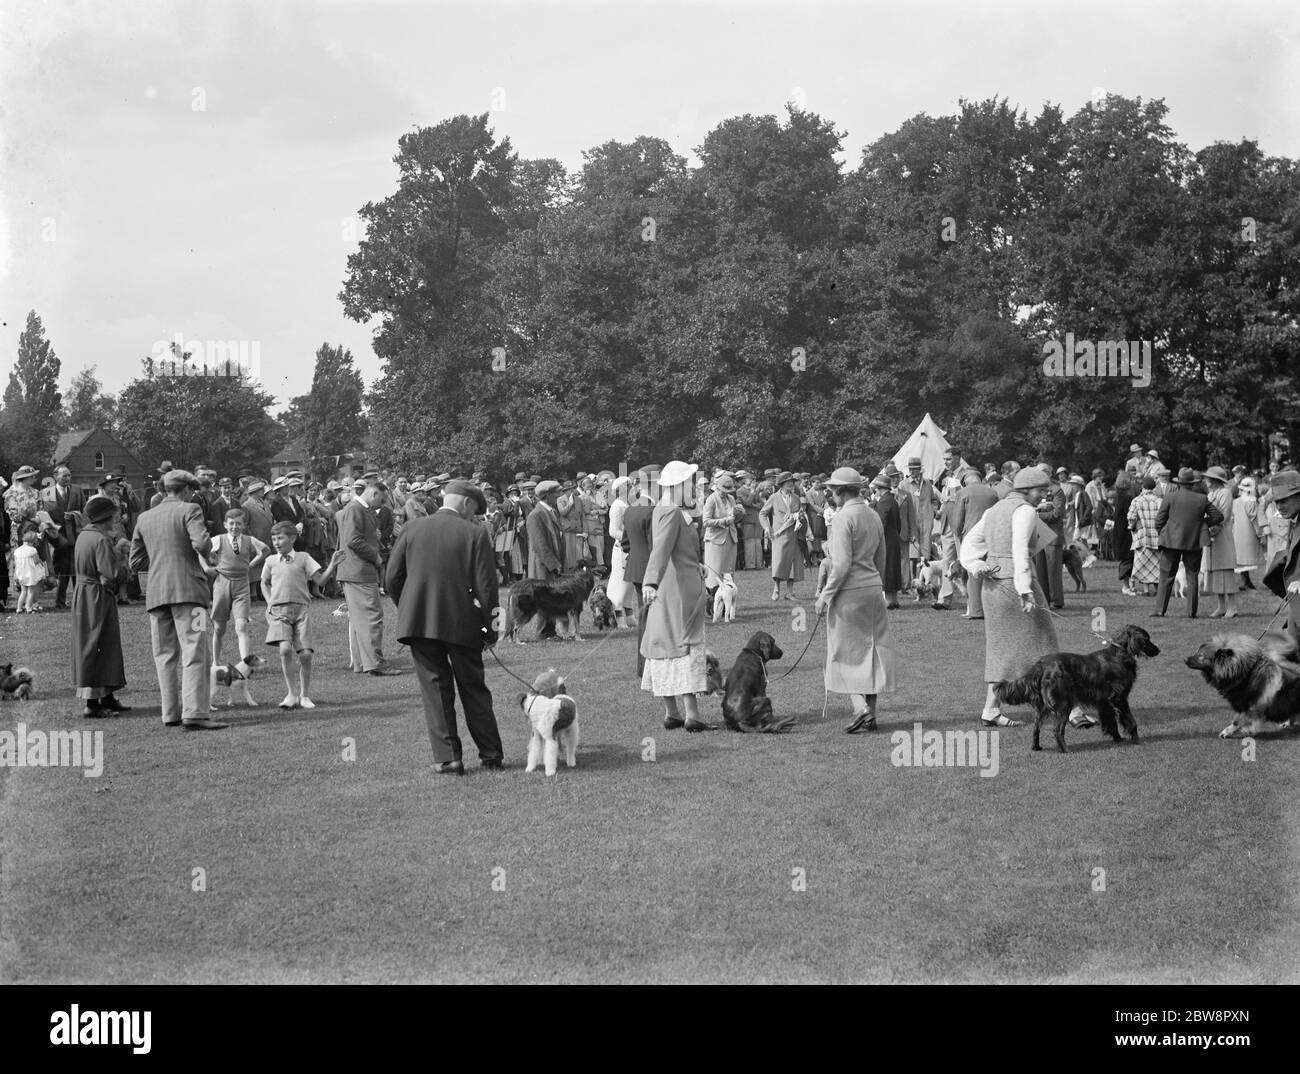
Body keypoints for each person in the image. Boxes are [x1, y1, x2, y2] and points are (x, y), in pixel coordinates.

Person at [387, 479, 505, 775]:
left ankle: (448, 757)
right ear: (466, 503)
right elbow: (488, 590)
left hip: (418, 622)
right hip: (462, 622)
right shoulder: (475, 534)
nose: (474, 517)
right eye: (474, 511)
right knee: (474, 688)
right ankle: (490, 754)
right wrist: (493, 629)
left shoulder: (412, 528)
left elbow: (391, 578)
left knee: (435, 689)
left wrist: (409, 607)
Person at [959, 467, 1061, 727]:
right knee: (1046, 645)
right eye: (1040, 491)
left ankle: (990, 710)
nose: (1043, 496)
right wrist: (1025, 589)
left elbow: (969, 542)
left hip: (993, 586)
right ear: (1026, 489)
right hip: (1017, 583)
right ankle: (1067, 709)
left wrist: (975, 565)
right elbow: (1019, 550)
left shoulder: (994, 510)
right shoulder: (1025, 510)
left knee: (1001, 649)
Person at [129, 469, 224, 730]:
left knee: (165, 655)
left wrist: (162, 559)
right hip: (190, 593)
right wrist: (208, 557)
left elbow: (135, 561)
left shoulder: (145, 517)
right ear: (186, 490)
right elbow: (202, 543)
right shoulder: (190, 509)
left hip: (157, 594)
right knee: (196, 651)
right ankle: (195, 713)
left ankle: (170, 713)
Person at [815, 468, 894, 733]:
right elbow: (881, 557)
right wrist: (878, 584)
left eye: (832, 489)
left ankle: (860, 708)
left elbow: (841, 564)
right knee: (872, 651)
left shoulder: (842, 518)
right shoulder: (872, 514)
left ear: (840, 491)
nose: (830, 493)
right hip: (873, 589)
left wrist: (825, 596)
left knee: (844, 652)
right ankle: (871, 712)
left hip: (849, 593)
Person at [641, 460, 713, 732]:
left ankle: (673, 713)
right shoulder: (671, 511)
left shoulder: (667, 509)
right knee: (684, 648)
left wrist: (696, 564)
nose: (693, 488)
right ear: (679, 485)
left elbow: (674, 550)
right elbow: (660, 549)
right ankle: (691, 714)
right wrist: (650, 580)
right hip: (678, 593)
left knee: (664, 646)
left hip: (672, 586)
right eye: (690, 483)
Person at [261, 522, 344, 709]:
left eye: (280, 538)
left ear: (292, 538)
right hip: (279, 611)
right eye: (274, 539)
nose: (276, 542)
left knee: (305, 655)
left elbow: (320, 579)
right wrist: (269, 601)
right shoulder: (271, 561)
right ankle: (291, 694)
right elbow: (264, 583)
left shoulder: (303, 558)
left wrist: (332, 564)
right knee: (284, 650)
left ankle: (304, 695)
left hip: (301, 610)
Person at [71, 494, 132, 718]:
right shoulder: (100, 539)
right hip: (96, 596)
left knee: (98, 643)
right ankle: (93, 704)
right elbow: (112, 572)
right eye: (113, 516)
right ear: (106, 517)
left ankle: (106, 696)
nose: (115, 520)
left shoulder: (84, 535)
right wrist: (123, 560)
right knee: (98, 644)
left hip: (85, 594)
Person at [337, 480, 401, 676]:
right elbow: (353, 540)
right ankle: (376, 663)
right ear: (373, 493)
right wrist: (375, 556)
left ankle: (363, 663)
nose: (381, 506)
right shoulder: (355, 509)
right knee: (372, 617)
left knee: (359, 621)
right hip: (359, 571)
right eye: (381, 501)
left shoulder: (355, 509)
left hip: (354, 571)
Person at [1151, 468, 1224, 619]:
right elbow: (1218, 516)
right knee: (1192, 577)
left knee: (1166, 576)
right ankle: (1192, 612)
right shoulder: (1202, 499)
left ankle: (1159, 610)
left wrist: (1164, 532)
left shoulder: (1170, 497)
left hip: (1171, 540)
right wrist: (1201, 523)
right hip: (1194, 541)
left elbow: (1159, 521)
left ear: (1179, 482)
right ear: (1192, 483)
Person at [207, 508, 270, 664]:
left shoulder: (249, 540)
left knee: (241, 626)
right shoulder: (218, 539)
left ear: (244, 525)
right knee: (219, 628)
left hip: (242, 585)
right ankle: (215, 661)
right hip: (222, 584)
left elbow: (266, 550)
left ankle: (245, 663)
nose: (235, 527)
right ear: (225, 524)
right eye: (231, 524)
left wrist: (252, 564)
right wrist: (208, 566)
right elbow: (201, 551)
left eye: (238, 524)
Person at [1261, 470, 1300, 650]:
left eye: (1284, 500)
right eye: (1277, 502)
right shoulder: (1294, 520)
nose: (1279, 507)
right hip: (1296, 600)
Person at [952, 467, 997, 619]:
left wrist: (957, 533)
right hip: (990, 536)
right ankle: (991, 608)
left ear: (965, 481)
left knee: (973, 574)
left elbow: (958, 519)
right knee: (989, 572)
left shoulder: (962, 493)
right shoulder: (992, 492)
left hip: (971, 537)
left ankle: (976, 611)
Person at [41, 465, 85, 609]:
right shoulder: (46, 493)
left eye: (69, 475)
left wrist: (75, 516)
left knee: (75, 567)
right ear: (55, 477)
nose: (67, 478)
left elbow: (84, 511)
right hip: (57, 535)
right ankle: (61, 601)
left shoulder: (77, 490)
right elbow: (43, 514)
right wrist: (54, 527)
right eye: (64, 475)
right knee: (64, 567)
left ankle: (77, 600)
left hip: (75, 533)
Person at [1200, 466, 1239, 618]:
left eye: (1207, 478)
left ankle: (1232, 607)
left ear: (1214, 480)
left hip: (1222, 536)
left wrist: (1212, 529)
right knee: (1214, 572)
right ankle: (1221, 606)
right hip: (1210, 537)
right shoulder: (1210, 494)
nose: (1205, 481)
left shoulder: (1225, 493)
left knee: (1225, 571)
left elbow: (1224, 514)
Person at [760, 471, 805, 601]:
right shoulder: (774, 497)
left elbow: (800, 514)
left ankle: (789, 593)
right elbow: (762, 514)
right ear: (782, 484)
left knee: (793, 563)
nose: (792, 484)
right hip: (779, 535)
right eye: (789, 482)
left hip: (794, 535)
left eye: (793, 482)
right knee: (779, 562)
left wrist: (800, 516)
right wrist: (767, 528)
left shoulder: (796, 498)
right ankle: (776, 590)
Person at [701, 472, 739, 601]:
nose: (725, 493)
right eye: (723, 490)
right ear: (717, 487)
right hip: (715, 540)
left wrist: (739, 514)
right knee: (714, 574)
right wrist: (724, 521)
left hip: (731, 538)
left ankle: (726, 602)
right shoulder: (711, 499)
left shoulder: (731, 499)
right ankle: (711, 602)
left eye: (728, 490)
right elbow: (705, 522)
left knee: (728, 573)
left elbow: (734, 518)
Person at [605, 475, 636, 629]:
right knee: (620, 583)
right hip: (622, 549)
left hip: (630, 548)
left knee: (629, 585)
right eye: (628, 486)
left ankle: (630, 617)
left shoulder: (627, 504)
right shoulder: (617, 506)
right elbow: (613, 531)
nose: (631, 489)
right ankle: (619, 619)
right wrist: (629, 538)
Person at [1126, 477, 1163, 597]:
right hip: (1157, 536)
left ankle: (1146, 590)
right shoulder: (1159, 500)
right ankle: (1158, 590)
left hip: (1142, 536)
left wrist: (1132, 526)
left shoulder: (1137, 500)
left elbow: (1131, 517)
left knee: (1143, 564)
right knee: (1157, 565)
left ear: (1143, 487)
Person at [526, 480, 565, 580]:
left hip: (553, 566)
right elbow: (539, 545)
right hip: (543, 569)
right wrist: (554, 565)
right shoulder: (535, 515)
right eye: (556, 493)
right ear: (547, 495)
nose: (558, 495)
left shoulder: (553, 511)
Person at [1232, 476, 1265, 591]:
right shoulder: (1251, 502)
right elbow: (1255, 519)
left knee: (1241, 559)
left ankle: (1246, 581)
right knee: (1245, 558)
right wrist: (1260, 533)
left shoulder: (1235, 502)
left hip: (1237, 533)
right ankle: (1246, 582)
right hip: (1248, 534)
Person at [12, 527, 45, 612]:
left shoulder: (17, 550)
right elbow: (36, 561)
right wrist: (41, 562)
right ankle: (29, 607)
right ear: (34, 541)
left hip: (21, 573)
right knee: (30, 591)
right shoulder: (32, 550)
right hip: (30, 573)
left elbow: (15, 563)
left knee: (23, 592)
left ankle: (19, 608)